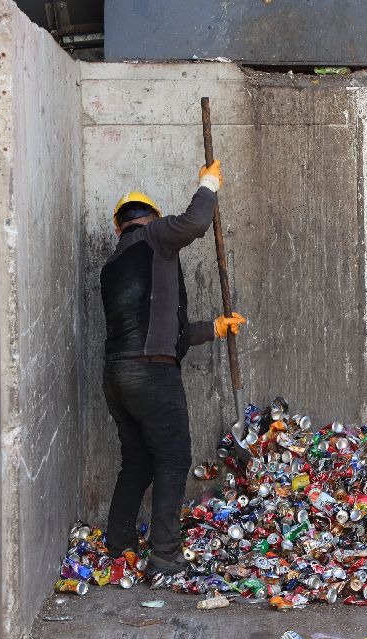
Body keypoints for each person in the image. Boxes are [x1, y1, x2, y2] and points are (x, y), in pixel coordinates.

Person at [99, 160, 245, 577]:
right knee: (173, 458)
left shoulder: (116, 264)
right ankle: (164, 553)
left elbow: (168, 332)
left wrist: (213, 329)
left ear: (116, 229)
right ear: (153, 219)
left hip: (118, 377)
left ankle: (119, 541)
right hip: (151, 375)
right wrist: (208, 183)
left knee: (138, 462)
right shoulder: (155, 237)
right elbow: (198, 221)